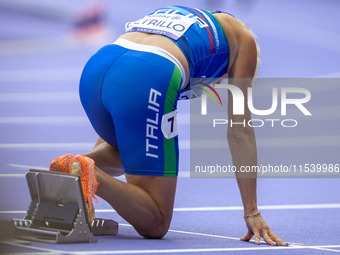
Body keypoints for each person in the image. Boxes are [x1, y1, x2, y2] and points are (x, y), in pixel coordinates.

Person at [50, 6, 288, 246]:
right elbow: (240, 130)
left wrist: (89, 165)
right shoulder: (244, 42)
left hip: (97, 67)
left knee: (130, 152)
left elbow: (123, 132)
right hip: (148, 73)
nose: (217, 84)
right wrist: (252, 211)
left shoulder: (190, 18)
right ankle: (89, 174)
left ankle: (72, 169)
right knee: (157, 222)